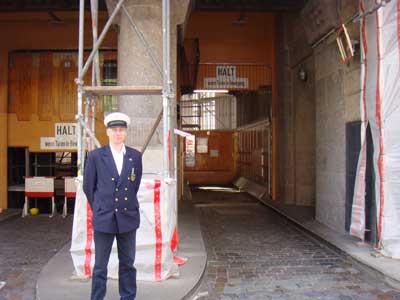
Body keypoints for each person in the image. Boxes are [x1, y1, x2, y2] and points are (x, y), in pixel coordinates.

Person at [83, 112, 142, 300]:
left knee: (127, 264)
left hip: (127, 217)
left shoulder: (135, 156)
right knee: (100, 265)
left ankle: (128, 297)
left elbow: (135, 184)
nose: (118, 133)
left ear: (125, 133)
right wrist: (100, 206)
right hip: (104, 217)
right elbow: (88, 187)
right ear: (107, 132)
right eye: (114, 130)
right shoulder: (95, 157)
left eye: (121, 130)